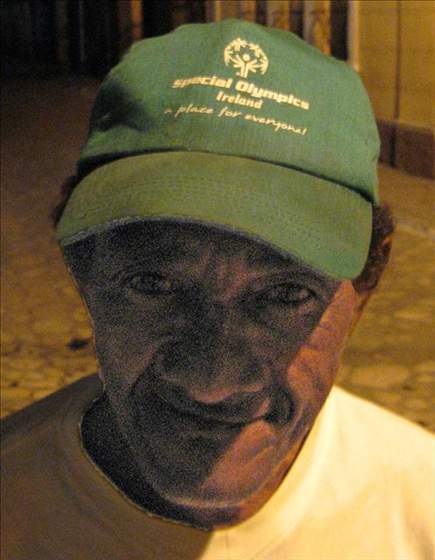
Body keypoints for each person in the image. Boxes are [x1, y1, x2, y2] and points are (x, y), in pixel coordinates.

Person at [1, 19, 434, 560]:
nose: (212, 382)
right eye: (153, 283)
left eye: (285, 295)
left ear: (364, 290)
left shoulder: (422, 505)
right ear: (83, 273)